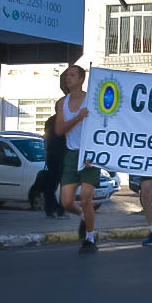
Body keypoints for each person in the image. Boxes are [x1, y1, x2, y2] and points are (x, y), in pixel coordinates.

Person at [54, 65, 100, 254]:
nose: (68, 78)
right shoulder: (62, 103)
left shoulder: (91, 100)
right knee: (65, 202)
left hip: (89, 153)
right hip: (72, 153)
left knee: (86, 197)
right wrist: (77, 118)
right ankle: (84, 216)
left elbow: (101, 127)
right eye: (67, 75)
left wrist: (94, 152)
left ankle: (89, 238)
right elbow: (59, 130)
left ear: (81, 79)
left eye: (72, 75)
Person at [40, 114, 66, 218]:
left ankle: (50, 210)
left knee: (51, 187)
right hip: (61, 158)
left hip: (51, 157)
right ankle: (60, 211)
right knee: (64, 187)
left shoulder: (50, 122)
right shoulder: (64, 120)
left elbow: (46, 141)